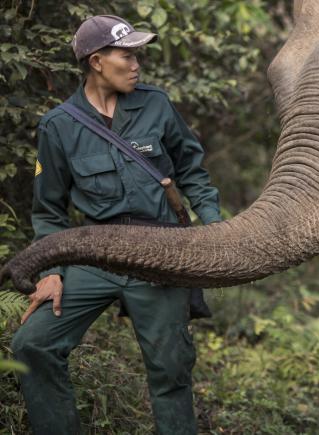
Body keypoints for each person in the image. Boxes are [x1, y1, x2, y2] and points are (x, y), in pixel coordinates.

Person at [11, 15, 221, 435]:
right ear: (96, 61)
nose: (136, 64)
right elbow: (48, 210)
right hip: (96, 254)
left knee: (171, 370)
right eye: (127, 55)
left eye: (137, 55)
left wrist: (216, 230)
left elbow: (193, 172)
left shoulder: (156, 104)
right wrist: (51, 272)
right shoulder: (59, 126)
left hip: (160, 252)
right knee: (32, 345)